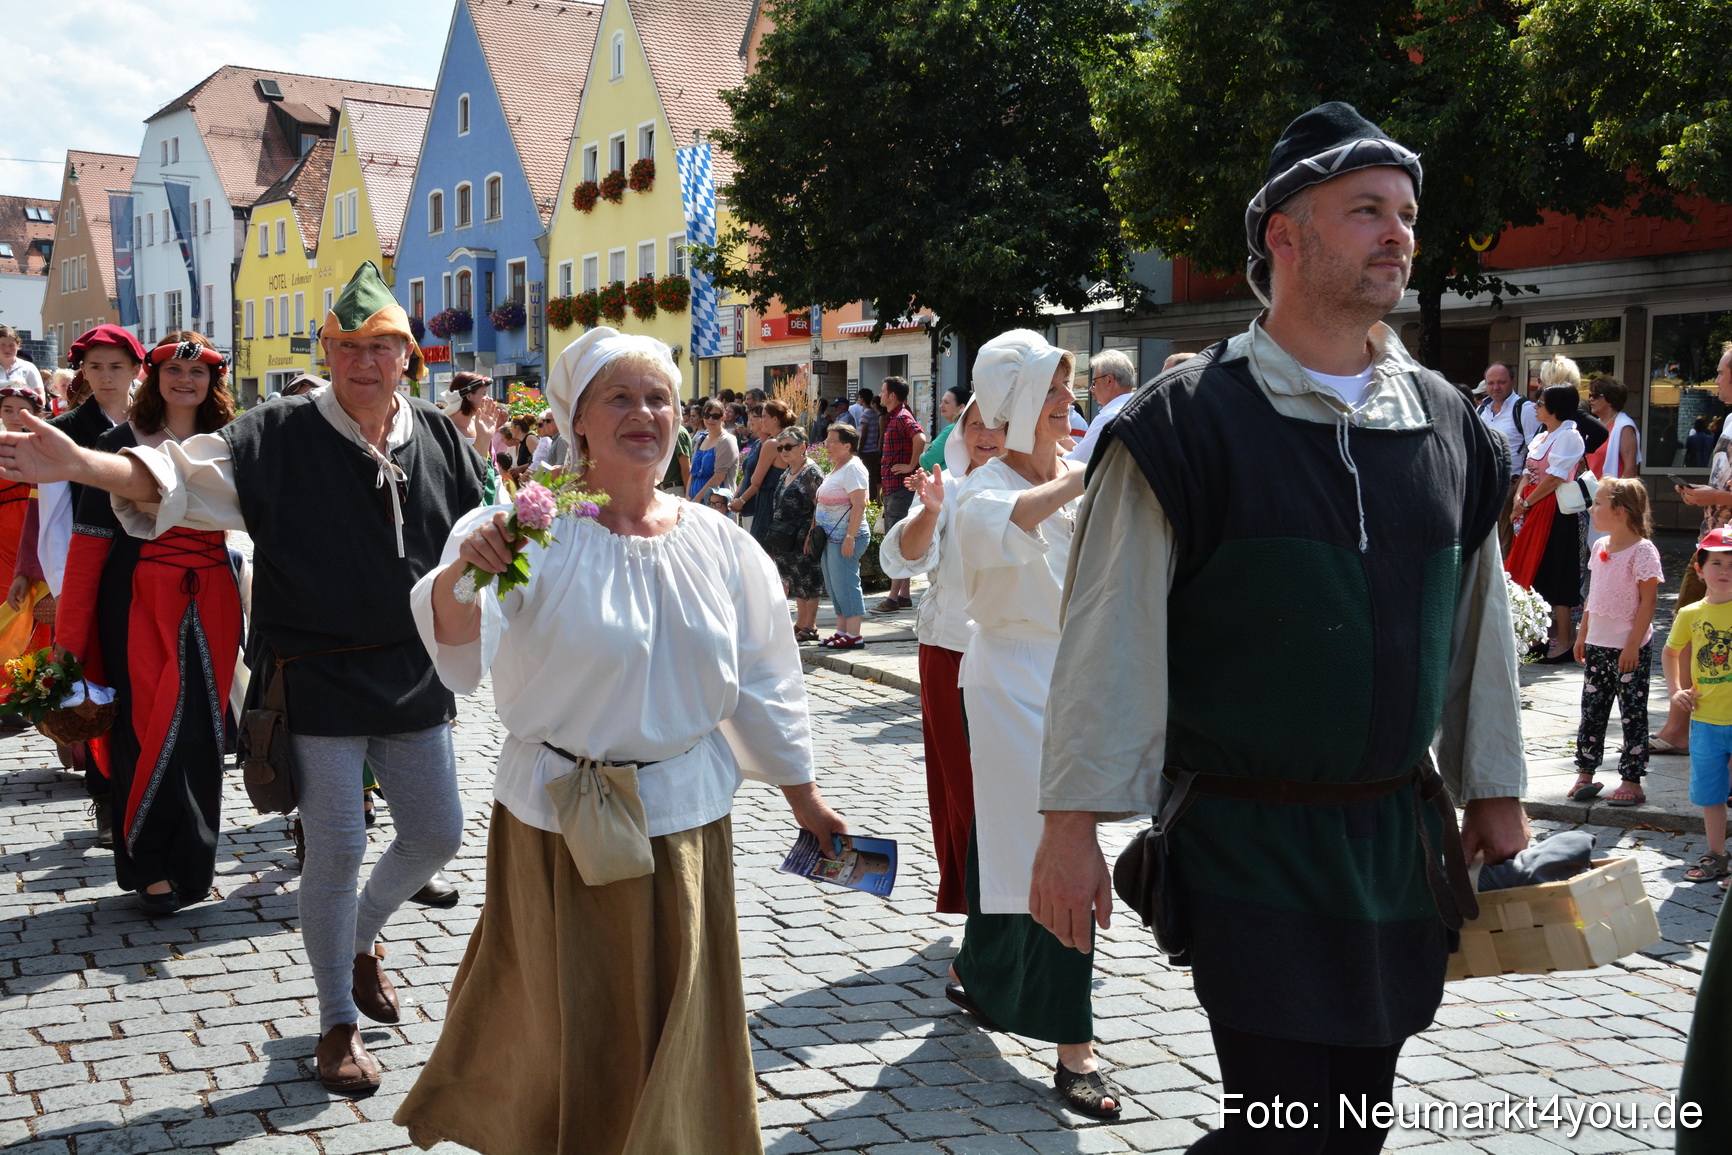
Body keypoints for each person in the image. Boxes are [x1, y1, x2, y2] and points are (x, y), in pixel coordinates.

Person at [1029, 103, 1528, 1155]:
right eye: (1364, 212)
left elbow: (1478, 626)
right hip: (1248, 838)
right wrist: (1069, 827)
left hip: (1394, 839)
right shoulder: (1184, 426)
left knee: (1353, 1127)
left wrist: (1495, 788)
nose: (1396, 234)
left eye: (1403, 213)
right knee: (1285, 1131)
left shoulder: (1447, 426)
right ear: (1283, 237)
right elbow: (1107, 636)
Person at [0, 261, 487, 1093]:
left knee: (437, 832)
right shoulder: (279, 433)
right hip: (315, 680)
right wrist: (85, 463)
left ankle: (361, 936)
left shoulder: (440, 436)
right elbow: (177, 477)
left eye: (381, 347)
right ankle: (336, 1020)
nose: (362, 362)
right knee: (335, 846)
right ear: (327, 352)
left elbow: (486, 535)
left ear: (409, 355)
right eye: (345, 346)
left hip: (414, 677)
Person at [394, 326, 845, 1154]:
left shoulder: (719, 543)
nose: (644, 413)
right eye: (620, 397)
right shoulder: (524, 529)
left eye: (658, 398)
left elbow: (766, 673)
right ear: (580, 422)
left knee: (678, 1027)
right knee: (572, 1028)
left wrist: (801, 793)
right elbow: (456, 636)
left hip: (681, 819)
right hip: (558, 822)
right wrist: (470, 567)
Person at [936, 330, 1119, 1118]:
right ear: (1013, 404)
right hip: (1012, 683)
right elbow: (998, 524)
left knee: (1004, 838)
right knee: (1056, 847)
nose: (1067, 402)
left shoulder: (1074, 475)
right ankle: (1074, 1050)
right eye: (1051, 389)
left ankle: (981, 965)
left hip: (1073, 680)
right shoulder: (984, 484)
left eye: (1067, 387)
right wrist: (1085, 479)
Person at [56, 332, 243, 914]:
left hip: (213, 595)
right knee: (145, 727)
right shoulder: (119, 443)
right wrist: (67, 647)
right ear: (154, 376)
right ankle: (149, 868)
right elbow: (87, 551)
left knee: (204, 735)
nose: (184, 382)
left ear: (213, 382)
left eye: (198, 373)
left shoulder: (232, 445)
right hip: (137, 602)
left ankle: (192, 863)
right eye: (172, 371)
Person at [879, 396, 1003, 914]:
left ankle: (1018, 907)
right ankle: (978, 906)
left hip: (1025, 656)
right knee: (962, 785)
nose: (986, 434)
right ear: (960, 431)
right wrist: (929, 512)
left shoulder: (1050, 481)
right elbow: (903, 555)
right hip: (951, 650)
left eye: (999, 424)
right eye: (976, 424)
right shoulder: (944, 486)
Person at [40, 324, 143, 845]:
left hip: (146, 576)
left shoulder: (152, 422)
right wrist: (63, 592)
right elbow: (54, 517)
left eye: (116, 367)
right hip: (90, 574)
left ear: (135, 370)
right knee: (94, 688)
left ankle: (140, 794)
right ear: (82, 370)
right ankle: (106, 799)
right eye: (96, 367)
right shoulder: (66, 428)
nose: (106, 377)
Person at [1571, 479, 1661, 807]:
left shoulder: (1643, 551)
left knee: (1632, 713)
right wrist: (1582, 634)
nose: (1591, 509)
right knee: (1592, 710)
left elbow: (1649, 601)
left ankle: (1631, 779)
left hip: (1628, 648)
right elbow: (1594, 595)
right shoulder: (1600, 547)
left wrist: (1633, 645)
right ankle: (1585, 772)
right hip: (1597, 644)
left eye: (1597, 504)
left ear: (1619, 512)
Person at [1660, 345, 1732, 756]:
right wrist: (1704, 497)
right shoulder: (1728, 419)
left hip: (1726, 544)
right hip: (1712, 539)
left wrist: (1714, 496)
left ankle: (1682, 727)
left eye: (1722, 372)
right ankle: (1681, 724)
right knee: (1688, 625)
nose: (1716, 379)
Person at [1664, 527, 1732, 885]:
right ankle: (1717, 854)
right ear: (1699, 567)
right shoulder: (1690, 613)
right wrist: (1676, 690)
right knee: (1711, 793)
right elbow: (1670, 651)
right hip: (1705, 722)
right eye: (1717, 563)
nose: (1725, 571)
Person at [1506, 381, 1588, 662]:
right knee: (1534, 572)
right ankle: (1537, 638)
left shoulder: (1569, 436)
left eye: (1540, 403)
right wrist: (1519, 498)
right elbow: (1528, 472)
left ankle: (1564, 640)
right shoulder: (1543, 435)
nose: (1535, 407)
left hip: (1555, 511)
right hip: (1532, 508)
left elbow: (1554, 478)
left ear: (1553, 408)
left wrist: (1527, 502)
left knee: (1558, 573)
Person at [0, 382, 50, 674]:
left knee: (38, 607)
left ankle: (33, 683)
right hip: (4, 533)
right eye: (8, 410)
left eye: (22, 410)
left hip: (34, 530)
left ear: (36, 413)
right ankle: (6, 689)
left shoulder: (45, 447)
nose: (15, 416)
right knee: (7, 603)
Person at [764, 426, 825, 644]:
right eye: (780, 447)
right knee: (795, 580)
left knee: (809, 580)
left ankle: (811, 625)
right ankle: (801, 622)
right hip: (785, 537)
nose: (783, 451)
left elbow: (820, 505)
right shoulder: (788, 471)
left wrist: (811, 532)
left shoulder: (811, 472)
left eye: (788, 446)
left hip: (802, 537)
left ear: (803, 447)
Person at [1475, 361, 1541, 553]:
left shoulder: (1525, 409)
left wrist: (1519, 486)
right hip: (1484, 485)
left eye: (1501, 382)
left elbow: (1535, 450)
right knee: (1485, 540)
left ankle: (1506, 581)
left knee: (1505, 543)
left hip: (1509, 486)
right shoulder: (1481, 410)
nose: (1495, 387)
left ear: (1512, 381)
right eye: (1491, 383)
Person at [873, 378, 927, 612]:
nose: (881, 394)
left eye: (883, 391)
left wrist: (911, 465)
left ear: (892, 395)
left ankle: (894, 598)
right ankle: (903, 595)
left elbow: (920, 438)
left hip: (899, 488)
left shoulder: (902, 417)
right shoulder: (896, 416)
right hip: (894, 487)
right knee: (898, 539)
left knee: (896, 541)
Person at [814, 423, 869, 650]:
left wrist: (850, 537)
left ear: (847, 446)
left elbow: (859, 504)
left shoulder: (853, 468)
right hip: (830, 538)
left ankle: (854, 635)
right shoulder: (838, 466)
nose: (827, 445)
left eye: (832, 441)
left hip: (845, 537)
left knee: (846, 583)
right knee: (835, 585)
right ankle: (842, 631)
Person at [730, 399, 796, 546]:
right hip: (778, 504)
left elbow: (755, 482)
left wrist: (741, 500)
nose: (761, 420)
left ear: (775, 419)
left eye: (764, 416)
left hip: (766, 505)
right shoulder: (787, 439)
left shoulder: (772, 443)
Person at [1067, 349, 1136, 465]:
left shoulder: (1108, 418)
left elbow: (1078, 464)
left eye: (1094, 382)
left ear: (1109, 380)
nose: (1091, 388)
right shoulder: (1141, 409)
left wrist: (1052, 448)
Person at [1587, 376, 1641, 479]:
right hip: (1592, 491)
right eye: (1590, 395)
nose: (1590, 399)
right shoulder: (1594, 425)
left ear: (1610, 399)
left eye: (1596, 395)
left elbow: (1630, 468)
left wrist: (1619, 493)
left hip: (1613, 492)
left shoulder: (1624, 426)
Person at [689, 401, 738, 504]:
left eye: (715, 416)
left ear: (723, 417)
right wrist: (688, 496)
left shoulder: (726, 441)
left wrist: (697, 500)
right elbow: (693, 472)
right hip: (695, 502)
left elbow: (718, 478)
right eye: (707, 415)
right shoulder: (701, 439)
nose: (710, 419)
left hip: (715, 503)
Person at [443, 372, 501, 459]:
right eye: (484, 394)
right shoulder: (444, 427)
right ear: (469, 396)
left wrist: (486, 436)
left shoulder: (482, 425)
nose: (489, 398)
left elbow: (489, 465)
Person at [921, 383, 971, 472]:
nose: (941, 406)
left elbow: (927, 461)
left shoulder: (952, 430)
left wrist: (924, 454)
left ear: (961, 407)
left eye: (946, 402)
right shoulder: (966, 427)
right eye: (942, 401)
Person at [0, 325, 44, 398]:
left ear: (18, 346)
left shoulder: (29, 367)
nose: (7, 349)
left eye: (11, 345)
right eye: (2, 345)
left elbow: (40, 395)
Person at [854, 387, 882, 499]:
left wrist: (859, 449)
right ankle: (874, 498)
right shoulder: (875, 413)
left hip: (866, 450)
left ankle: (870, 499)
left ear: (862, 399)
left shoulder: (865, 413)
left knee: (866, 476)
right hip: (874, 449)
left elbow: (864, 434)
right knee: (873, 476)